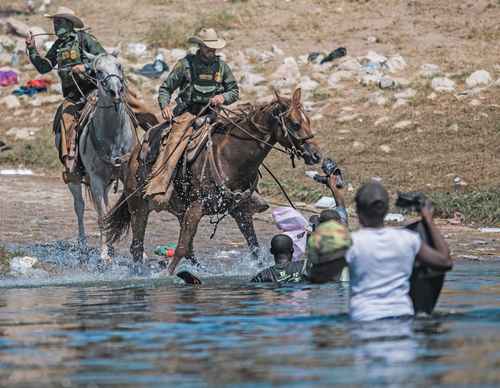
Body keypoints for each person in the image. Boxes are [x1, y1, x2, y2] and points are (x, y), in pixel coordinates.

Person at [145, 28, 240, 204]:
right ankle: (160, 185)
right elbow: (166, 88)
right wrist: (164, 105)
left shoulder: (222, 67)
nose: (211, 51)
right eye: (207, 48)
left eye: (213, 48)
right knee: (173, 141)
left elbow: (234, 91)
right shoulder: (185, 65)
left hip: (214, 113)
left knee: (239, 139)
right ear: (200, 46)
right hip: (188, 112)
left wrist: (223, 97)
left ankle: (248, 191)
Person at [346, 181, 453, 322]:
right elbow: (445, 262)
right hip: (403, 319)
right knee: (422, 229)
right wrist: (428, 219)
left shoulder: (351, 242)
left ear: (358, 211)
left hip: (364, 319)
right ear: (386, 210)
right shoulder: (408, 239)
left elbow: (321, 275)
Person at [25, 7, 106, 180]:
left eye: (59, 22)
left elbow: (105, 60)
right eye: (54, 22)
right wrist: (32, 50)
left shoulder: (85, 39)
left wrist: (87, 67)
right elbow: (44, 66)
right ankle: (71, 161)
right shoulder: (58, 45)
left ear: (69, 24)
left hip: (94, 92)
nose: (55, 25)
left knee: (133, 105)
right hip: (73, 97)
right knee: (65, 118)